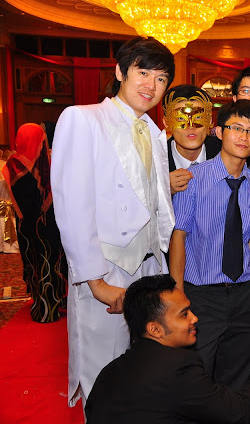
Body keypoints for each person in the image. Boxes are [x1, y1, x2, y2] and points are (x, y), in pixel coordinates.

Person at [51, 37, 175, 408]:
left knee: (140, 377)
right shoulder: (83, 119)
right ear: (120, 71)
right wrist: (95, 281)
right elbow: (73, 206)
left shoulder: (154, 131)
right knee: (103, 379)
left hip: (148, 272)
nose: (151, 85)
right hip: (107, 270)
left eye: (161, 78)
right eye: (143, 72)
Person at [85, 274, 250, 424]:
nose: (195, 318)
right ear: (155, 329)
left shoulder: (108, 373)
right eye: (184, 314)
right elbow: (241, 413)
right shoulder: (178, 367)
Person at [169, 100, 250, 390]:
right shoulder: (193, 179)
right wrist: (177, 294)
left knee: (239, 375)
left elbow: (249, 236)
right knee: (195, 375)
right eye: (236, 128)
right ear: (219, 132)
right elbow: (178, 236)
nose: (243, 136)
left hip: (244, 295)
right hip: (202, 295)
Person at [2, 123, 67, 323]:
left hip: (25, 224)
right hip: (47, 223)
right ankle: (51, 307)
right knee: (49, 261)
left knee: (34, 261)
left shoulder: (11, 165)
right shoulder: (49, 165)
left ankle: (41, 306)